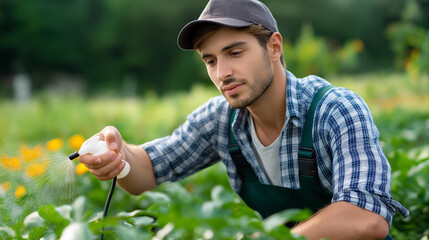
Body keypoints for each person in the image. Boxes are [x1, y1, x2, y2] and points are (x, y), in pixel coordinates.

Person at [79, 0, 409, 239]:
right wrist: (118, 155)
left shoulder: (336, 110)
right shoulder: (220, 119)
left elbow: (367, 218)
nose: (222, 73)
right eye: (211, 60)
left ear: (274, 47)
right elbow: (147, 171)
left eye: (235, 53)